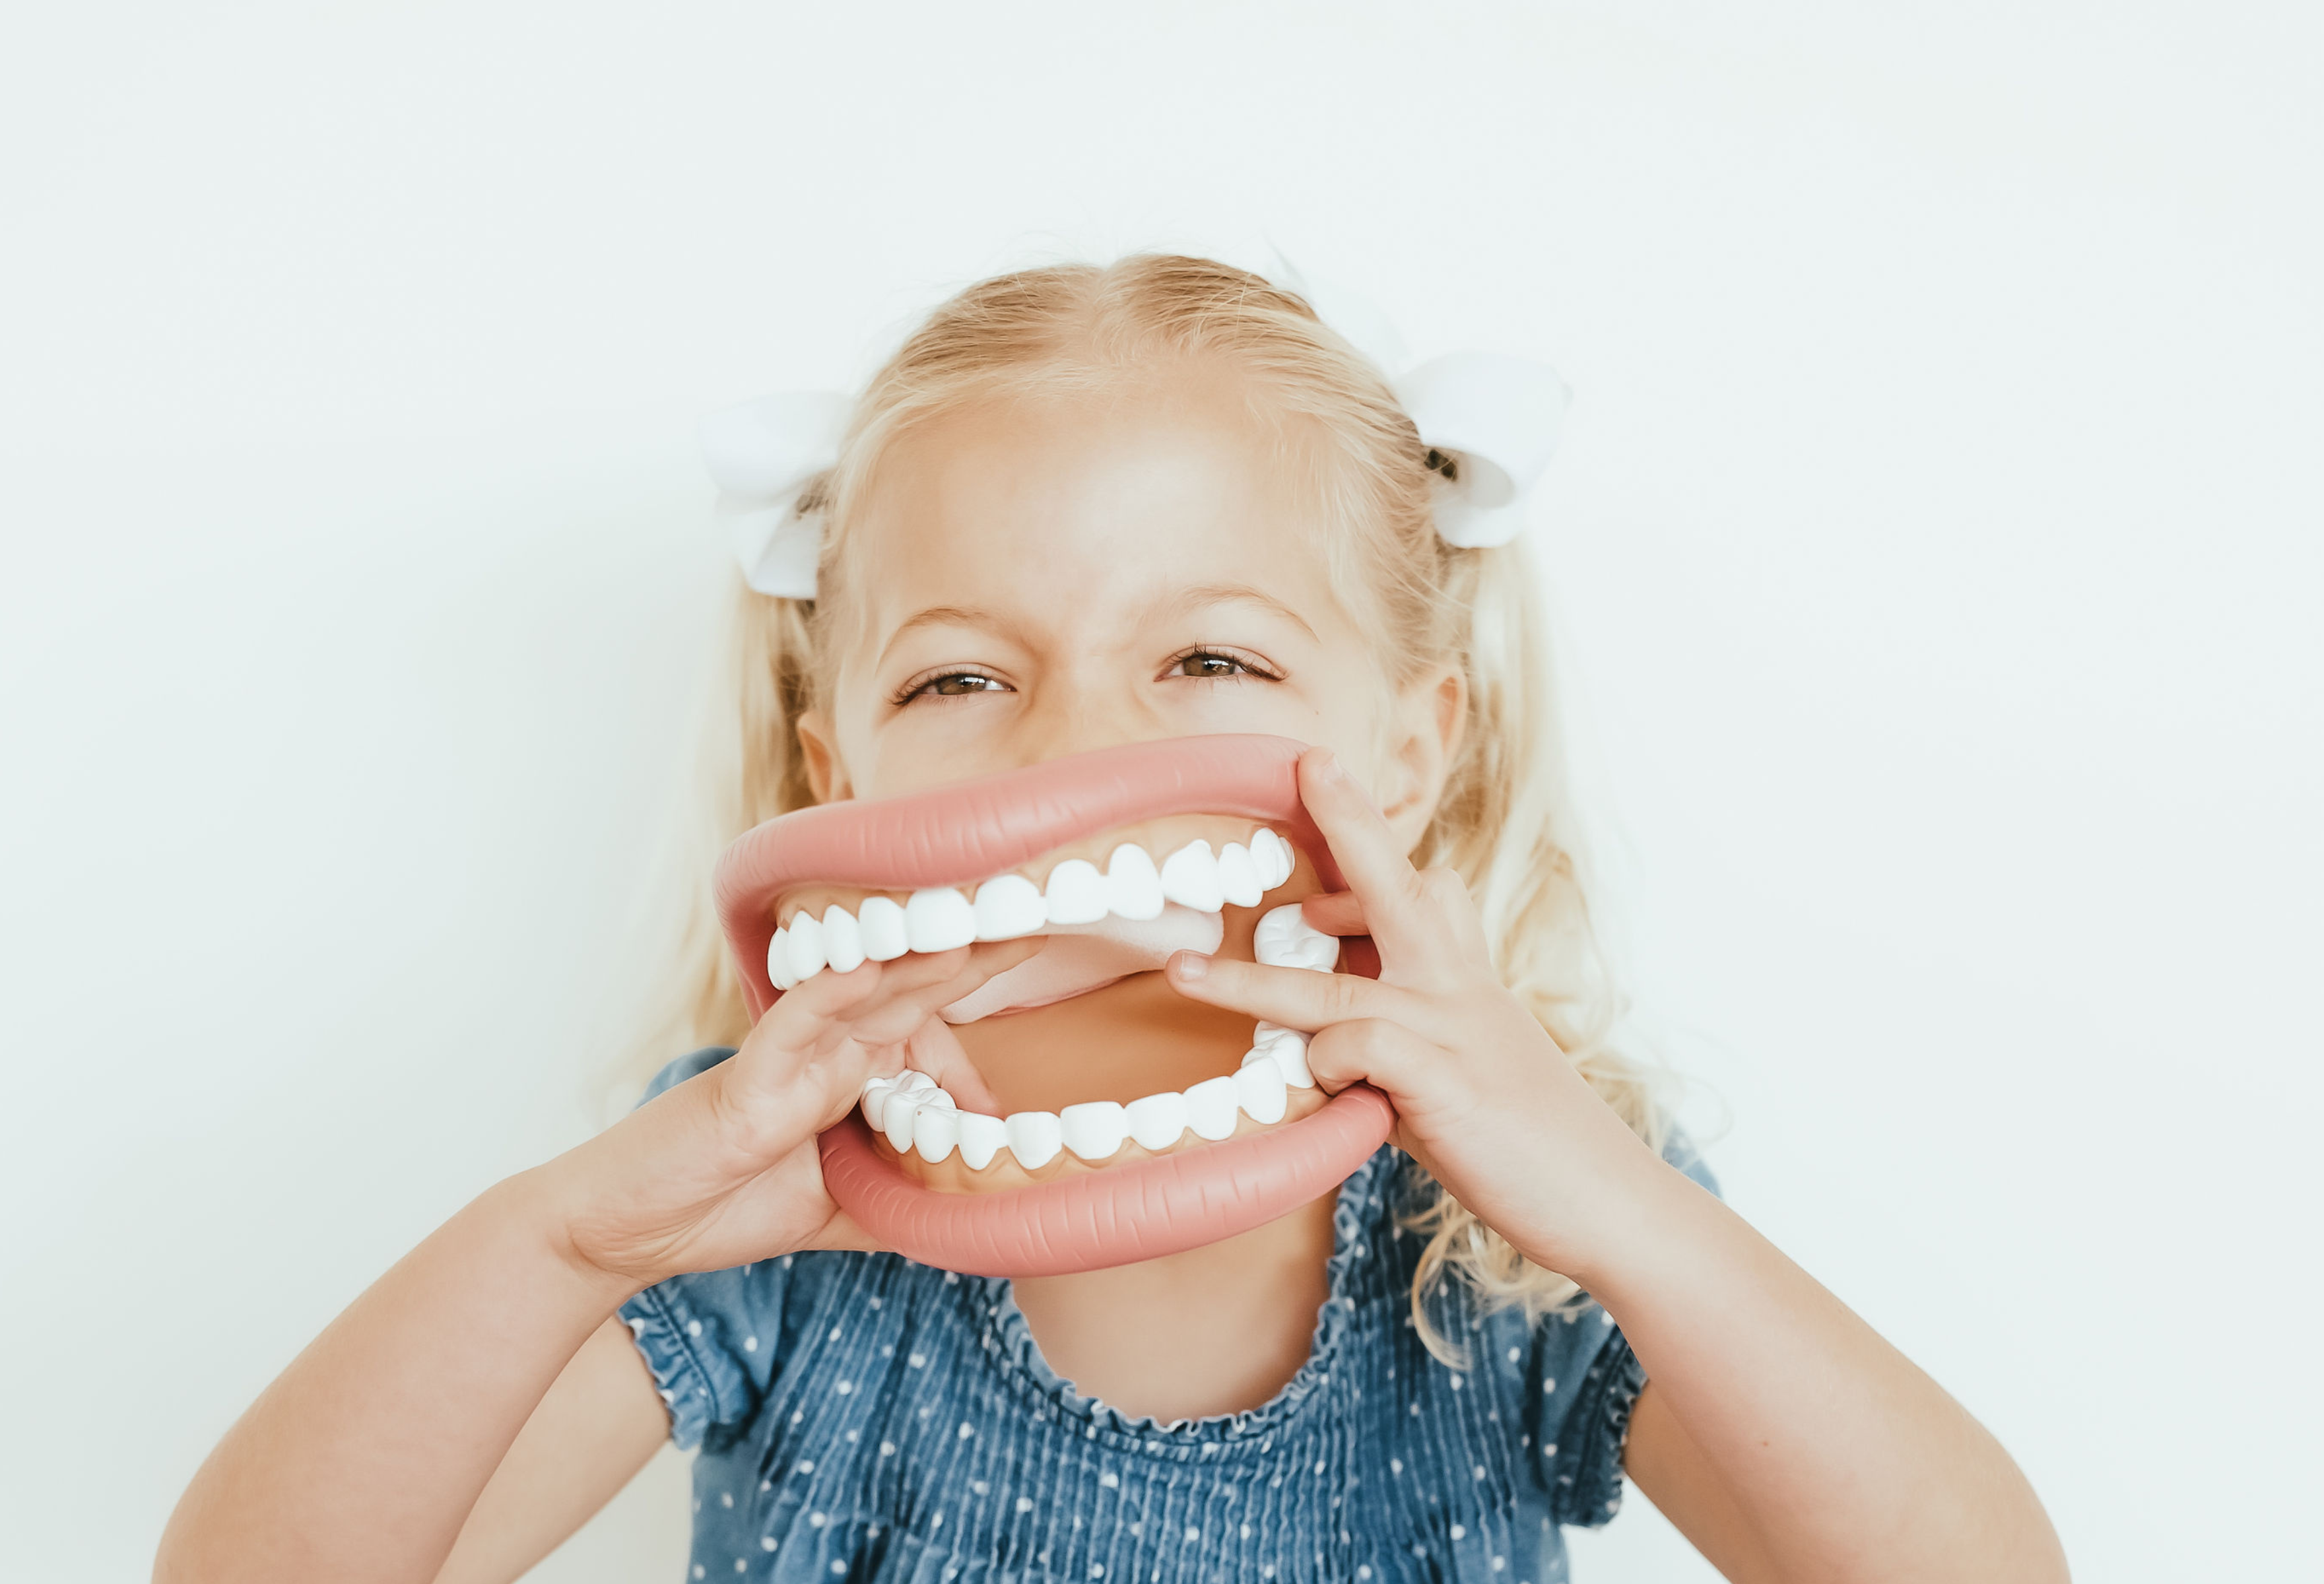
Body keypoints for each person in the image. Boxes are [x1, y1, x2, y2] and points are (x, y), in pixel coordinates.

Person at [156, 255, 2067, 1583]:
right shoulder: (756, 1202)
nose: (1077, 750)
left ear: (1406, 755)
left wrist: (1617, 1207)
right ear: (838, 775)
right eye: (964, 679)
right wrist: (574, 1237)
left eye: (1211, 656)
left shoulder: (1508, 1228)